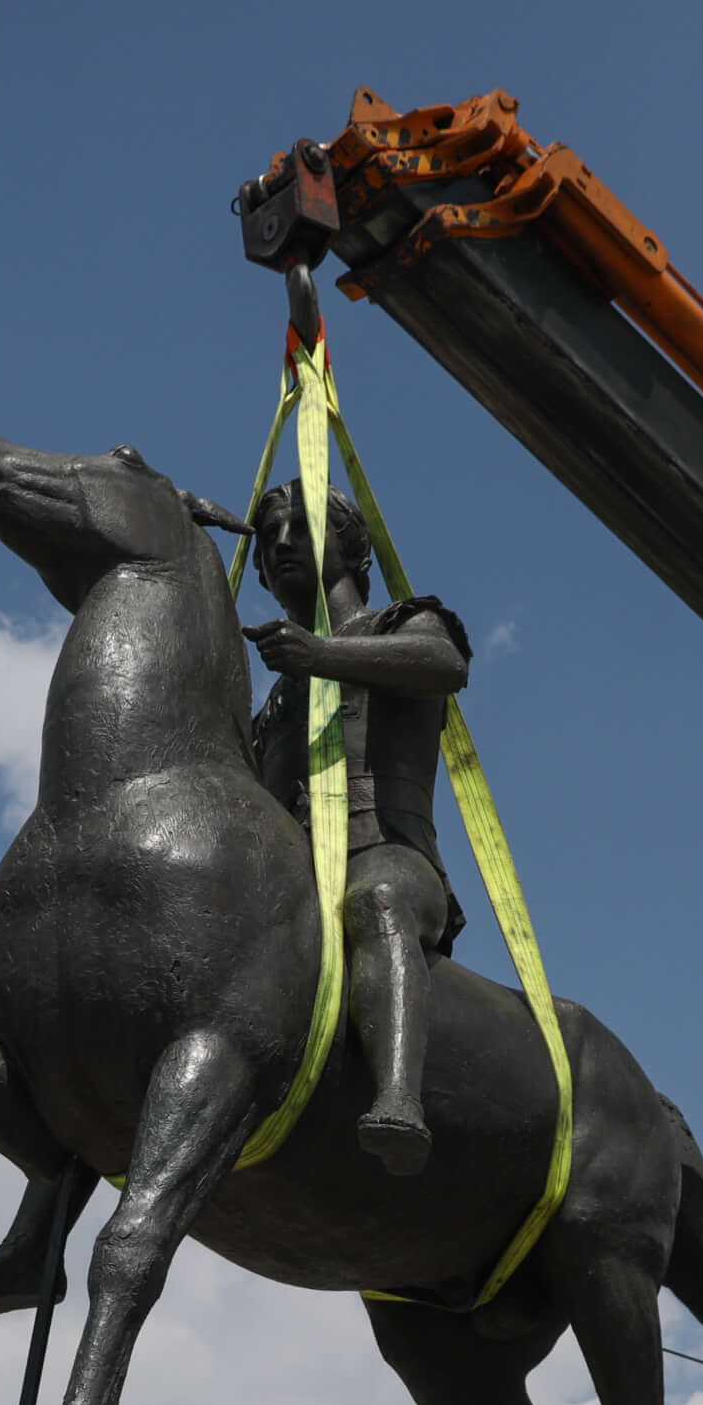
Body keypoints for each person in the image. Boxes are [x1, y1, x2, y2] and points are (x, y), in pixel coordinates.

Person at [240, 475, 474, 1176]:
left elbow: (445, 666)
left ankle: (399, 1097)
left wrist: (321, 656)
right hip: (294, 877)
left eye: (302, 528)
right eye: (269, 537)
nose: (281, 545)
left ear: (351, 545)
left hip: (390, 855)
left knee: (375, 901)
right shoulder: (279, 699)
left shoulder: (404, 624)